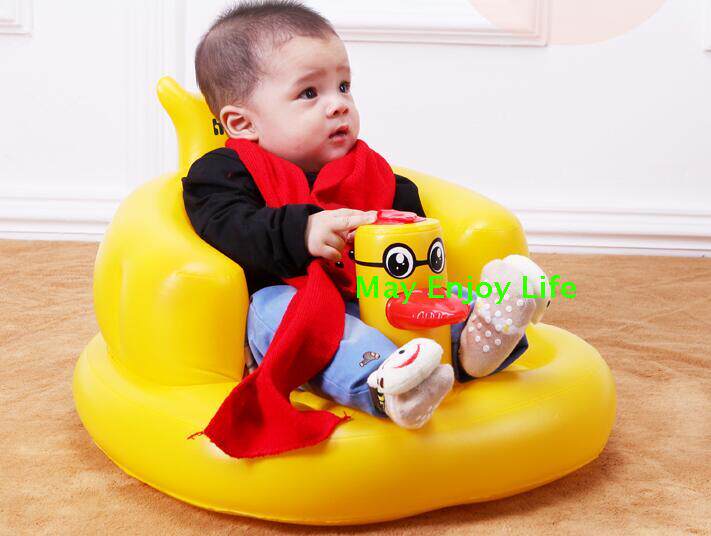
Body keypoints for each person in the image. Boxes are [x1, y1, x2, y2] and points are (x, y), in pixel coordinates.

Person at [182, 0, 547, 436]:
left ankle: (477, 339)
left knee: (430, 294)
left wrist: (402, 226)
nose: (339, 104)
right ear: (243, 124)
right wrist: (304, 230)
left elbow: (406, 223)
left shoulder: (366, 168)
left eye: (343, 86)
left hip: (370, 292)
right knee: (275, 308)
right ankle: (388, 385)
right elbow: (228, 228)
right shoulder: (222, 173)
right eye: (309, 93)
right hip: (292, 306)